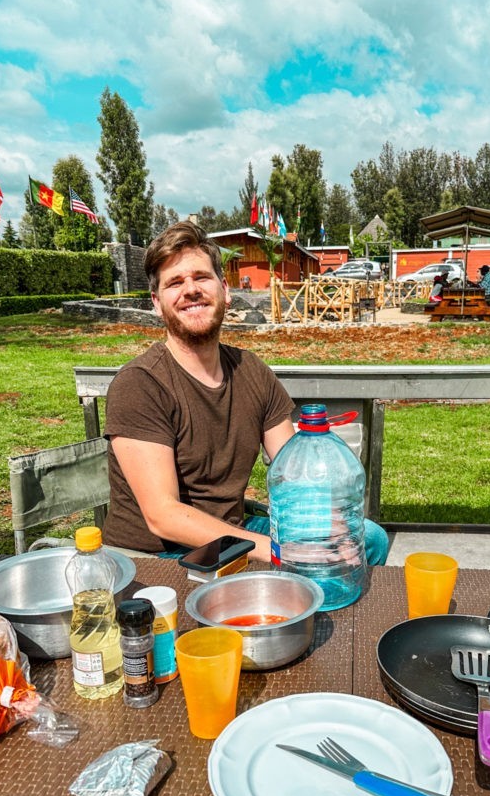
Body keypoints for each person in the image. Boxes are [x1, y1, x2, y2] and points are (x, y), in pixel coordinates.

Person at [103, 220, 389, 567]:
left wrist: (327, 521)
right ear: (157, 303)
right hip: (160, 555)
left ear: (224, 290)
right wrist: (278, 550)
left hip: (232, 530)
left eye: (201, 277)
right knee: (304, 565)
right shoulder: (140, 384)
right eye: (174, 283)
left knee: (366, 538)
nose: (191, 290)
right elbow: (163, 516)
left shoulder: (250, 370)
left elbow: (291, 469)